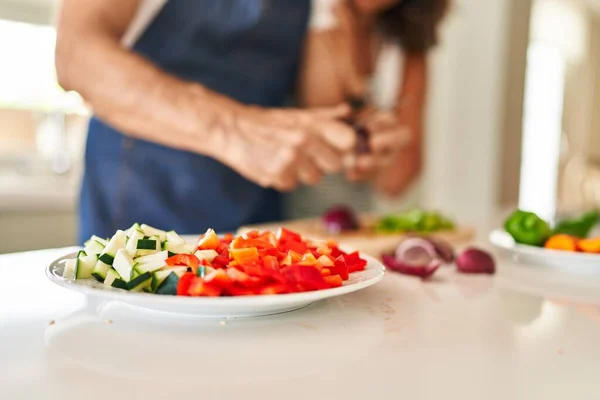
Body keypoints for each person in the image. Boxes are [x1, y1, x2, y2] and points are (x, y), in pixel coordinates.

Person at [55, 0, 444, 241]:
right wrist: (234, 129)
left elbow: (323, 106)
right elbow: (77, 56)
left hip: (255, 217)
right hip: (142, 206)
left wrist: (358, 140)